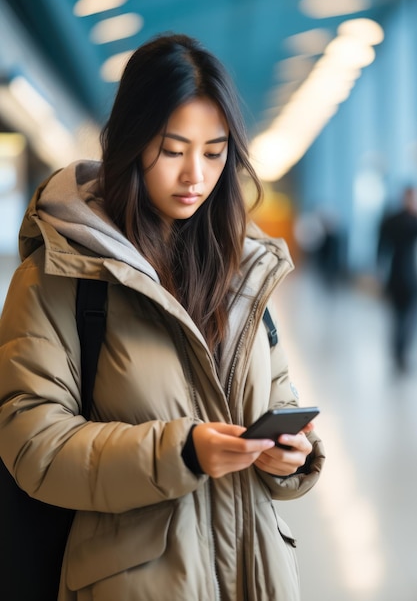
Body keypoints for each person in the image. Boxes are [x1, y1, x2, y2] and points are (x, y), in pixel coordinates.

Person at [0, 33, 325, 600]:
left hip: (255, 576)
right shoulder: (61, 274)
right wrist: (181, 451)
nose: (195, 175)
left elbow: (279, 400)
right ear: (130, 141)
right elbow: (33, 442)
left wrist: (292, 457)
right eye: (172, 150)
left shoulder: (242, 271)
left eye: (215, 151)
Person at [378, 185, 417, 372]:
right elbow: (382, 247)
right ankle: (398, 353)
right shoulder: (402, 221)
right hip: (402, 276)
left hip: (404, 276)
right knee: (401, 319)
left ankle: (400, 353)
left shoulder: (393, 219)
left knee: (405, 319)